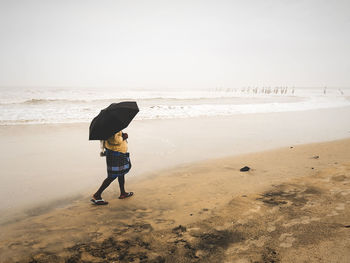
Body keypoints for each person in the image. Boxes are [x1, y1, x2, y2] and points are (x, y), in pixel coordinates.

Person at [91, 130, 133, 205]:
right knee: (112, 176)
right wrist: (123, 137)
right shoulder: (113, 129)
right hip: (116, 154)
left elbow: (115, 137)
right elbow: (115, 141)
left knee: (121, 173)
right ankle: (97, 195)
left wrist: (122, 134)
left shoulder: (112, 127)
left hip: (118, 153)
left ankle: (123, 193)